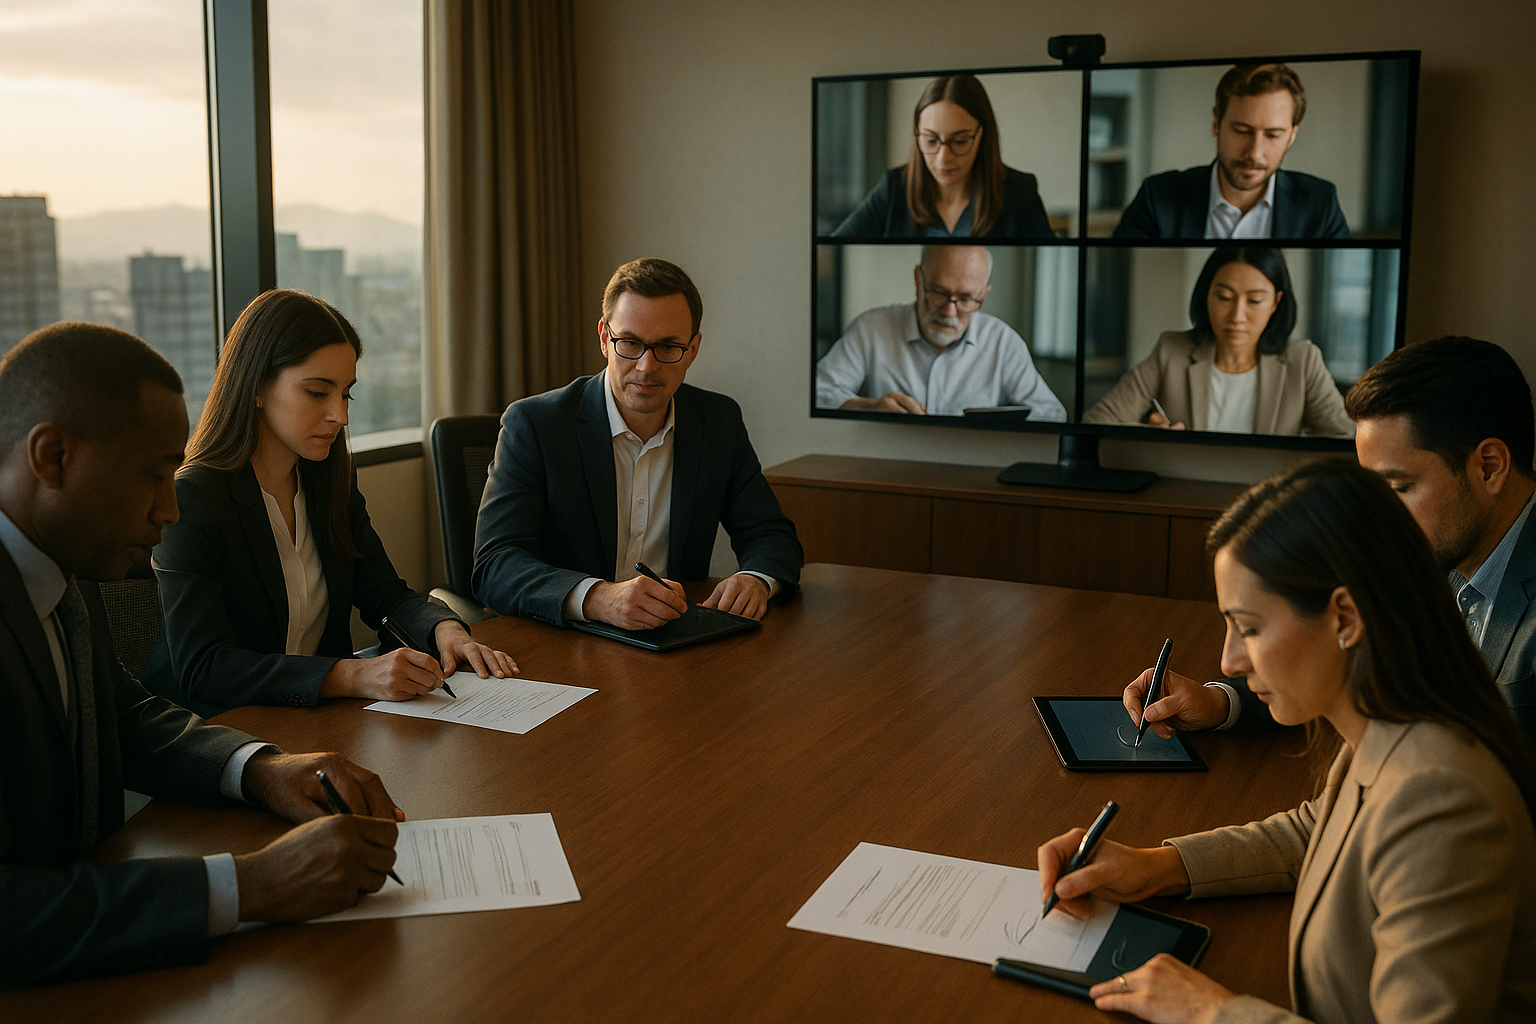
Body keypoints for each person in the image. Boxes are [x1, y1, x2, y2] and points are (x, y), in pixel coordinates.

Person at [1041, 459, 1536, 1024]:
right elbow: (1317, 830)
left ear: (1344, 617)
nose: (1229, 660)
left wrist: (1214, 1012)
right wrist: (1156, 866)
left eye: (1249, 627)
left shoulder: (1442, 801)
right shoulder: (1388, 722)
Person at [0, 322, 403, 987]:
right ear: (52, 457)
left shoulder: (58, 564)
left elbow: (123, 714)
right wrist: (249, 885)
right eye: (153, 477)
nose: (170, 510)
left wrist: (262, 768)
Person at [1130, 337, 1536, 746]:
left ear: (1489, 468)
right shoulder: (1430, 548)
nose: (1377, 518)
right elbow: (1331, 667)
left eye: (1398, 487)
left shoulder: (1431, 545)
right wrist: (1220, 703)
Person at [142, 290, 517, 719]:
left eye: (346, 394)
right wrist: (351, 675)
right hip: (217, 729)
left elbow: (385, 593)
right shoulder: (193, 499)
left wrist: (446, 629)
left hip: (317, 720)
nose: (340, 415)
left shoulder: (327, 480)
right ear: (257, 386)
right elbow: (205, 669)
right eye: (318, 392)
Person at [472, 258, 803, 631]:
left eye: (668, 347)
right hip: (565, 640)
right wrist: (599, 598)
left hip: (671, 637)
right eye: (630, 343)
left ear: (693, 349)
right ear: (604, 338)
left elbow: (770, 535)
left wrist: (755, 579)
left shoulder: (717, 422)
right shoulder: (535, 425)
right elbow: (495, 565)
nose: (646, 367)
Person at [1083, 248, 1351, 436]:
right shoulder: (1172, 351)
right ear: (1207, 295)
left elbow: (1345, 438)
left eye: (1255, 301)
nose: (1236, 316)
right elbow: (1097, 420)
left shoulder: (1303, 361)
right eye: (1224, 297)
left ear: (1275, 302)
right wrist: (1152, 439)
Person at [814, 245, 1066, 419]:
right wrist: (867, 407)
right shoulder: (871, 328)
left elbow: (1052, 414)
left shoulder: (1003, 342)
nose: (949, 311)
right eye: (938, 293)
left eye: (965, 299)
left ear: (983, 295)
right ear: (918, 280)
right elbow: (817, 392)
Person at [1112, 64, 1350, 240]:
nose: (1254, 153)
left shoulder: (1320, 204)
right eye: (1241, 131)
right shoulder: (1157, 198)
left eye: (1272, 135)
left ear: (1292, 135)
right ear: (1216, 123)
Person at [831, 75, 1054, 239]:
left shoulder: (1020, 195)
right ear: (917, 136)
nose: (943, 158)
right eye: (931, 140)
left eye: (960, 141)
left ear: (982, 136)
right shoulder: (894, 189)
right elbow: (833, 246)